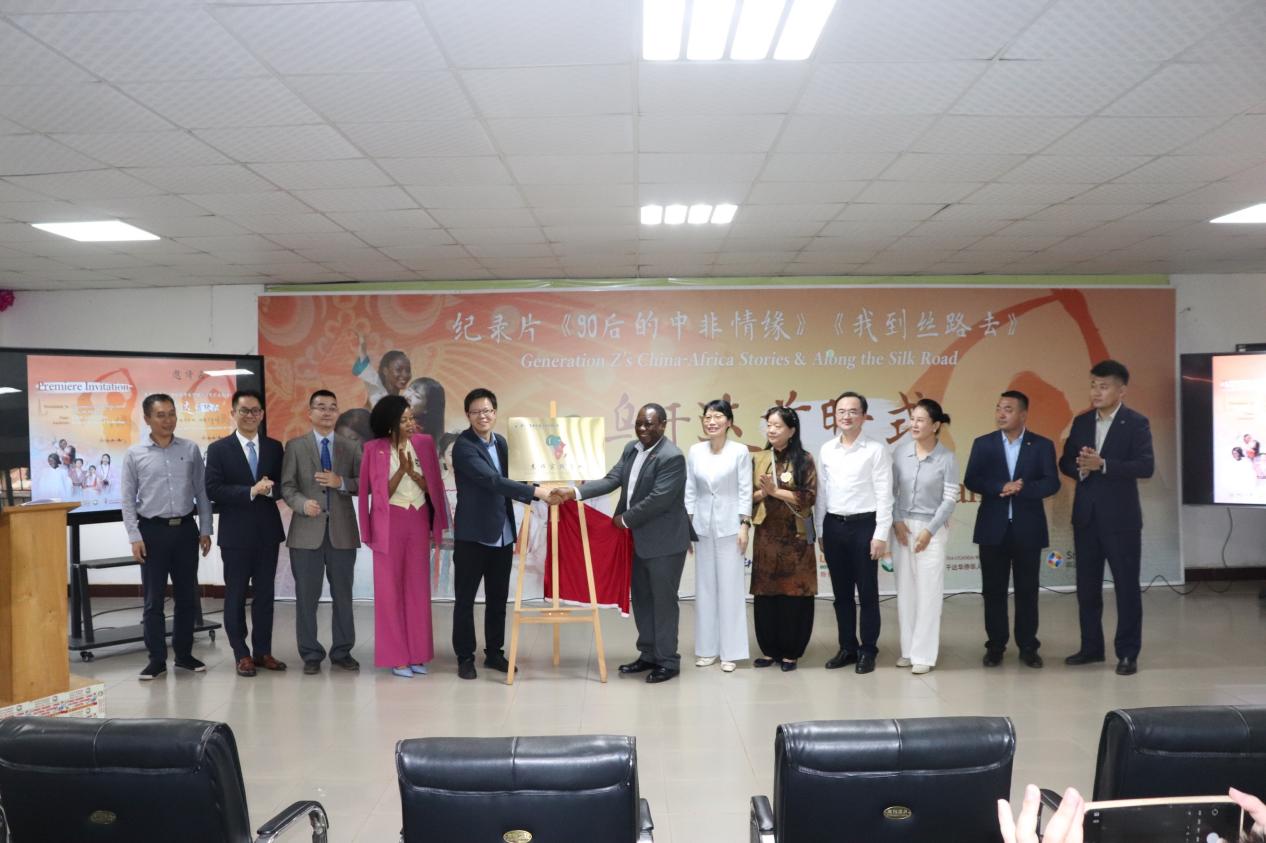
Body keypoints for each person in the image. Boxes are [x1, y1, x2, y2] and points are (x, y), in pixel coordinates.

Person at [556, 404, 693, 684]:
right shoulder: (631, 449)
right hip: (636, 539)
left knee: (663, 602)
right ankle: (648, 654)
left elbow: (659, 499)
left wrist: (625, 519)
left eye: (649, 424)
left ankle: (668, 661)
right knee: (642, 598)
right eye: (639, 423)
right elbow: (612, 480)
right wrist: (573, 492)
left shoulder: (672, 457)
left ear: (663, 425)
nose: (642, 429)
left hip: (664, 541)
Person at [1059, 359, 1154, 676]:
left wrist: (1104, 464)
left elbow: (1145, 466)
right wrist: (1080, 468)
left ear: (1121, 390)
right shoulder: (1082, 421)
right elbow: (1065, 462)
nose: (1096, 392)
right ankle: (1091, 648)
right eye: (1093, 385)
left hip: (1121, 520)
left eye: (1104, 386)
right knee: (1087, 587)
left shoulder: (1136, 423)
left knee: (1126, 587)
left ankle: (1127, 653)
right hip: (1086, 517)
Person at [450, 388, 552, 680]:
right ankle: (465, 657)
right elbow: (493, 480)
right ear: (468, 415)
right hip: (473, 536)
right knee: (465, 600)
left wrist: (540, 483)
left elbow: (513, 478)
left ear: (495, 413)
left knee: (497, 599)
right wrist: (537, 493)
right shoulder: (464, 447)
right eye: (476, 412)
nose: (482, 416)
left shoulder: (502, 443)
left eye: (487, 411)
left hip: (503, 533)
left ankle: (494, 652)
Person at [963, 390, 1060, 669]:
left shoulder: (1041, 445)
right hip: (992, 528)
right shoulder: (984, 444)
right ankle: (995, 646)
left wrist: (1023, 488)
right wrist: (999, 486)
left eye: (1008, 409)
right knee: (993, 591)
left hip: (1027, 529)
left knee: (1027, 591)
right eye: (998, 408)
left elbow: (1051, 482)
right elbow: (972, 479)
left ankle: (1028, 647)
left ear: (1023, 415)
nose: (1001, 414)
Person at [120, 393, 213, 681]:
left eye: (171, 414)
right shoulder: (135, 454)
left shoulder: (190, 449)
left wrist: (206, 529)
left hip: (185, 530)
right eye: (161, 415)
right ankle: (156, 659)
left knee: (187, 597)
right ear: (147, 419)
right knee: (153, 600)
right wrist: (134, 536)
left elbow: (201, 491)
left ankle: (184, 655)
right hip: (152, 532)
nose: (168, 420)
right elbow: (127, 499)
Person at [358, 395, 448, 678]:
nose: (411, 424)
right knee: (389, 591)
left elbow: (433, 487)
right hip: (389, 522)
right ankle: (396, 657)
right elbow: (378, 493)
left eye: (412, 418)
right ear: (389, 424)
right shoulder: (374, 449)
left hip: (418, 518)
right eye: (404, 420)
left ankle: (417, 654)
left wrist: (415, 475)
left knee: (417, 589)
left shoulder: (425, 443)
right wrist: (401, 471)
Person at [205, 389, 287, 678]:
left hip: (267, 533)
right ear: (233, 413)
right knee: (236, 595)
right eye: (244, 410)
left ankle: (263, 651)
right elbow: (213, 489)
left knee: (265, 595)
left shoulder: (274, 447)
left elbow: (284, 485)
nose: (250, 415)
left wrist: (271, 490)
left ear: (262, 414)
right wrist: (250, 491)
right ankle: (241, 653)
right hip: (236, 535)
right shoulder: (218, 449)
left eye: (255, 411)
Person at [281, 389, 362, 675]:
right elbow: (287, 486)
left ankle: (342, 651)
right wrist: (302, 504)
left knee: (343, 596)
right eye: (321, 407)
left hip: (342, 533)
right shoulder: (295, 446)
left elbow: (365, 483)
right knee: (307, 598)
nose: (327, 412)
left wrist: (342, 482)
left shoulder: (351, 446)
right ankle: (310, 653)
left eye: (332, 407)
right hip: (306, 533)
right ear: (310, 413)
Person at [814, 391, 893, 675]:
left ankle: (868, 649)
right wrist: (821, 529)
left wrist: (880, 534)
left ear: (863, 416)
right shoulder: (827, 449)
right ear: (834, 415)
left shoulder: (876, 450)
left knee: (868, 592)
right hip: (834, 526)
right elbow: (822, 494)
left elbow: (885, 494)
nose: (846, 416)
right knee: (842, 594)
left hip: (865, 526)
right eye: (841, 411)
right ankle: (847, 647)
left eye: (852, 411)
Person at [889, 398, 957, 675]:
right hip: (902, 528)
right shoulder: (900, 453)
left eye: (920, 420)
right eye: (912, 419)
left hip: (932, 529)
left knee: (929, 593)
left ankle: (924, 655)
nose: (914, 424)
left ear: (936, 425)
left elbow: (949, 499)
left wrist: (929, 531)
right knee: (906, 591)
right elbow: (891, 492)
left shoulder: (946, 458)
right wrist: (897, 521)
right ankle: (908, 651)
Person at [684, 399, 753, 673]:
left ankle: (731, 651)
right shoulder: (695, 451)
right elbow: (690, 490)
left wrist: (744, 524)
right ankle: (707, 649)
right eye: (707, 417)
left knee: (730, 588)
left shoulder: (739, 451)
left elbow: (745, 490)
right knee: (705, 588)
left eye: (718, 417)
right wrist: (688, 525)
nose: (711, 422)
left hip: (730, 526)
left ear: (729, 422)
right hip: (702, 526)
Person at [750, 406, 816, 672]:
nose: (772, 430)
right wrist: (764, 493)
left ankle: (791, 653)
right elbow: (746, 496)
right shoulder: (759, 458)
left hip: (795, 539)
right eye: (769, 425)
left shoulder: (804, 459)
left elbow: (808, 497)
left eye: (778, 426)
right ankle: (769, 650)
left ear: (791, 430)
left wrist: (775, 491)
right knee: (766, 593)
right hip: (766, 537)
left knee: (794, 595)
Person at [353, 335, 411, 409]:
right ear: (385, 371)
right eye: (398, 370)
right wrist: (362, 342)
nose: (405, 375)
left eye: (408, 370)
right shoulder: (376, 385)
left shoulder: (402, 402)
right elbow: (362, 364)